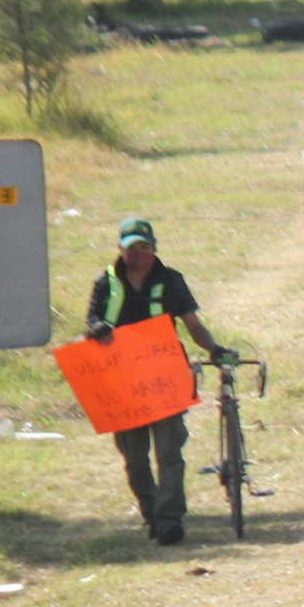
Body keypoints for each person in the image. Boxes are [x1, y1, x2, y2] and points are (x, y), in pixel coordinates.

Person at [82, 216, 232, 543]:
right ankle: (150, 510)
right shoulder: (105, 282)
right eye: (132, 249)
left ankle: (169, 519)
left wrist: (214, 349)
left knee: (169, 452)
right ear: (120, 251)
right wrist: (95, 329)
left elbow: (193, 325)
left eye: (145, 248)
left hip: (164, 378)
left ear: (154, 249)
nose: (139, 255)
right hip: (122, 382)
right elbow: (91, 320)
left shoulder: (171, 280)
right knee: (134, 457)